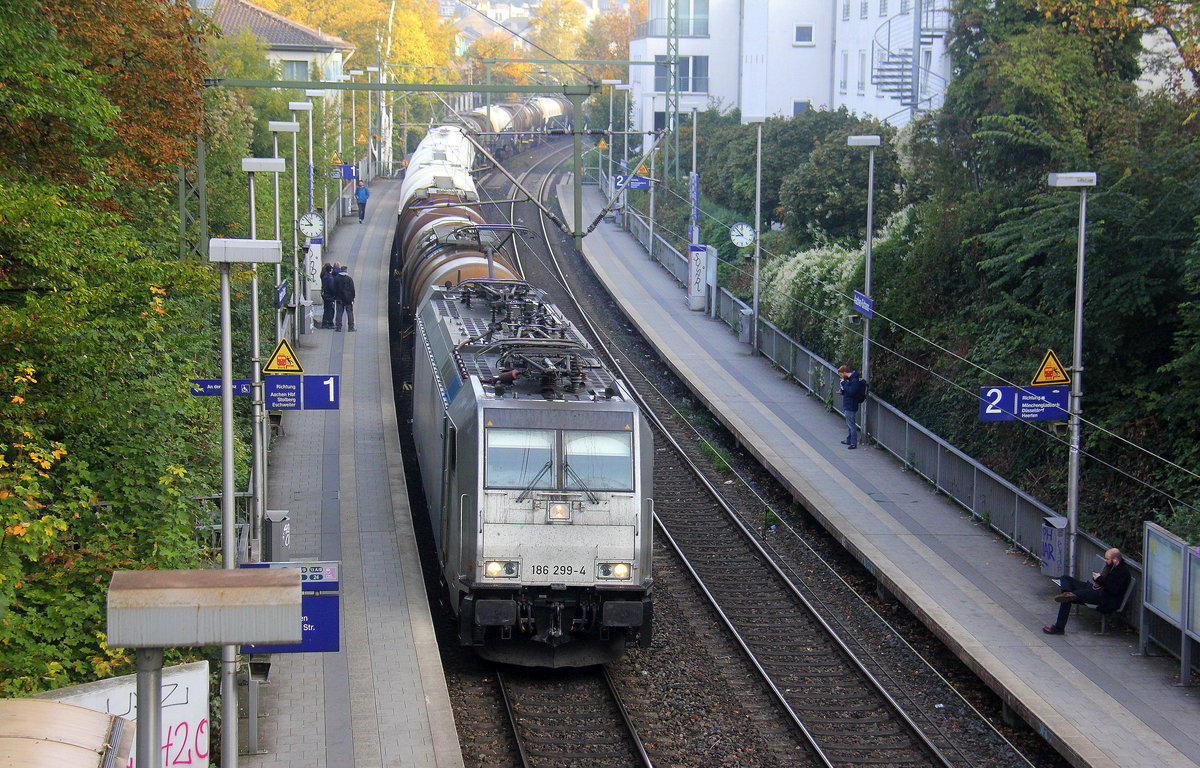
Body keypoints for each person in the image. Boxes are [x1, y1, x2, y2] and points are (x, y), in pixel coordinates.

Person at [1042, 548, 1131, 635]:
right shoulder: (1111, 566)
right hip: (1095, 589)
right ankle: (1066, 593)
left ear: (1115, 559)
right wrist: (1097, 577)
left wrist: (1099, 579)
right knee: (1065, 578)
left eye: (1107, 559)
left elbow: (1113, 590)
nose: (1106, 561)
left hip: (1104, 597)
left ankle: (1059, 627)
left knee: (1067, 598)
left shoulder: (1122, 573)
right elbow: (1102, 581)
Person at [838, 365, 866, 449]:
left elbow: (851, 392)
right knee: (850, 423)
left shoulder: (854, 380)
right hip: (849, 403)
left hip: (851, 404)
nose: (841, 377)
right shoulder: (851, 379)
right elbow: (849, 391)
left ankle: (853, 442)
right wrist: (842, 392)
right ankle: (849, 439)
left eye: (841, 375)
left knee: (851, 424)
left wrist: (843, 383)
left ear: (844, 372)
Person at [334, 265, 356, 332]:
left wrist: (335, 297)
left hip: (339, 299)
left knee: (339, 313)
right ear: (346, 270)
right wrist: (352, 298)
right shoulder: (349, 279)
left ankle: (338, 327)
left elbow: (334, 289)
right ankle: (351, 327)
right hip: (348, 299)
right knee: (350, 313)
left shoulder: (336, 278)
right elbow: (352, 289)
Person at [319, 263, 336, 329]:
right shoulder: (330, 278)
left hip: (325, 294)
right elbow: (331, 288)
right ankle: (330, 323)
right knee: (331, 309)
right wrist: (334, 295)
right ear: (330, 270)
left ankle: (324, 323)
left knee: (326, 309)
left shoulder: (324, 276)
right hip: (329, 295)